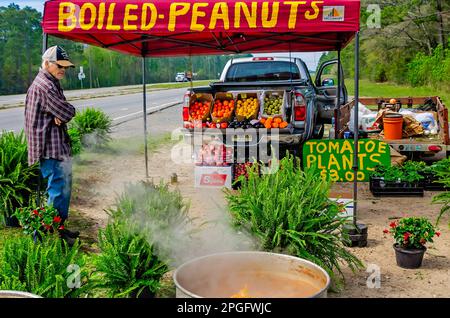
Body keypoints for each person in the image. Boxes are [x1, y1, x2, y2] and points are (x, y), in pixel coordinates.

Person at [24, 45, 79, 245]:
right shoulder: (45, 86)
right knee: (57, 193)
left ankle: (59, 229)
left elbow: (62, 113)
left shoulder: (51, 82)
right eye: (59, 65)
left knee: (62, 192)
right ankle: (40, 237)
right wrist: (61, 115)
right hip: (51, 150)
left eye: (65, 66)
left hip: (57, 149)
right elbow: (67, 112)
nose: (63, 69)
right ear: (47, 63)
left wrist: (60, 114)